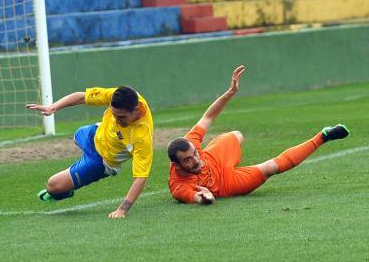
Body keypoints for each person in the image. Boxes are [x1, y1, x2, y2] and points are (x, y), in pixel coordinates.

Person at [167, 65, 349, 205]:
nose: (196, 160)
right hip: (226, 184)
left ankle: (232, 159)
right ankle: (323, 136)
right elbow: (197, 198)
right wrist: (205, 197)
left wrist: (230, 93)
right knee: (271, 168)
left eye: (195, 154)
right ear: (176, 165)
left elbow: (208, 116)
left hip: (214, 158)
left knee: (237, 135)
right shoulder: (179, 187)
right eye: (188, 160)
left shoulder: (191, 145)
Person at [26, 85, 154, 219]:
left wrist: (121, 210)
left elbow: (140, 178)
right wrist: (53, 107)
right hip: (93, 133)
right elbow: (81, 97)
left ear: (136, 110)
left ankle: (66, 191)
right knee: (77, 135)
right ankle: (71, 178)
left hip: (100, 161)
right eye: (114, 115)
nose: (116, 120)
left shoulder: (141, 136)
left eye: (121, 117)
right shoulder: (116, 95)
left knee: (53, 186)